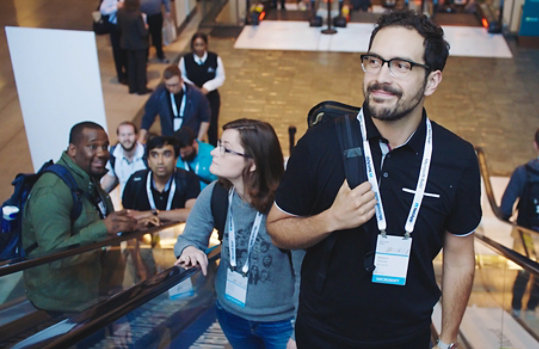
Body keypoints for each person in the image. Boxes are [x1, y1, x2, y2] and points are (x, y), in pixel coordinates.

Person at [267, 10, 481, 349]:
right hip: (322, 334)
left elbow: (459, 256)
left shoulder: (457, 159)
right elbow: (277, 228)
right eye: (374, 61)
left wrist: (448, 340)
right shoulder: (321, 143)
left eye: (401, 65)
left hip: (406, 337)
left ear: (433, 81)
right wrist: (330, 220)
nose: (381, 76)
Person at [174, 119, 297, 348]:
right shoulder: (215, 194)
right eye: (218, 145)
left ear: (253, 163)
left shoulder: (287, 204)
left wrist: (298, 333)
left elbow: (306, 273)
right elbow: (188, 239)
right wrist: (190, 249)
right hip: (230, 314)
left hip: (281, 322)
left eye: (225, 149)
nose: (213, 153)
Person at [22, 121, 139, 312]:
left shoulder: (89, 180)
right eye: (93, 146)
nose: (102, 153)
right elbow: (54, 256)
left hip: (92, 294)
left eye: (105, 146)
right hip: (61, 304)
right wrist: (104, 228)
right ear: (73, 150)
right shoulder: (51, 191)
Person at [500, 128, 539, 318]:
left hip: (526, 233)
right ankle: (532, 309)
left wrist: (508, 219)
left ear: (535, 144)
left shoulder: (523, 172)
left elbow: (505, 208)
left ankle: (515, 308)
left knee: (523, 268)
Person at [122, 135, 200, 223]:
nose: (160, 161)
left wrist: (154, 214)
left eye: (166, 155)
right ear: (148, 160)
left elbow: (192, 214)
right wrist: (145, 219)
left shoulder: (188, 179)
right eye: (154, 155)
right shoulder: (136, 181)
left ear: (176, 159)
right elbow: (127, 216)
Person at [139, 65, 211, 143]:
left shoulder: (196, 95)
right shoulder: (159, 94)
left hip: (190, 141)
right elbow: (148, 117)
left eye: (174, 85)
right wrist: (141, 139)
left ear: (181, 81)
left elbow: (205, 119)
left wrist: (199, 141)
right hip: (168, 138)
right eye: (168, 85)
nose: (171, 88)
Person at [179, 32, 225, 146]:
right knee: (195, 124)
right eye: (196, 45)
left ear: (206, 45)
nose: (199, 48)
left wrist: (207, 87)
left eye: (201, 44)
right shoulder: (185, 60)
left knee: (212, 124)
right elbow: (181, 76)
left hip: (211, 97)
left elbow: (221, 77)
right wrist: (193, 87)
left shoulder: (214, 58)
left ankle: (213, 148)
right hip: (192, 97)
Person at [101, 121, 147, 196]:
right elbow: (110, 180)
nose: (126, 138)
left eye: (130, 134)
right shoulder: (113, 155)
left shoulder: (146, 153)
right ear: (118, 137)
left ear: (136, 136)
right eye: (123, 135)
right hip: (126, 204)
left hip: (148, 205)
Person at [117, 0, 152, 95]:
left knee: (131, 66)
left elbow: (119, 27)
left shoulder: (120, 12)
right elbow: (143, 33)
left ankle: (132, 87)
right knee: (140, 67)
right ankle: (141, 88)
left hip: (127, 44)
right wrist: (147, 28)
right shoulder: (137, 15)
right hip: (139, 45)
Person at [175, 127, 217, 191]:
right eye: (180, 153)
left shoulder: (210, 153)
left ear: (194, 143)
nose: (182, 156)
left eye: (185, 152)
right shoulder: (176, 156)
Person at [100, 0, 128, 84]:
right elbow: (103, 10)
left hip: (125, 25)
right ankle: (121, 75)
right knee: (117, 51)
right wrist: (116, 7)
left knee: (125, 50)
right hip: (114, 27)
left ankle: (127, 72)